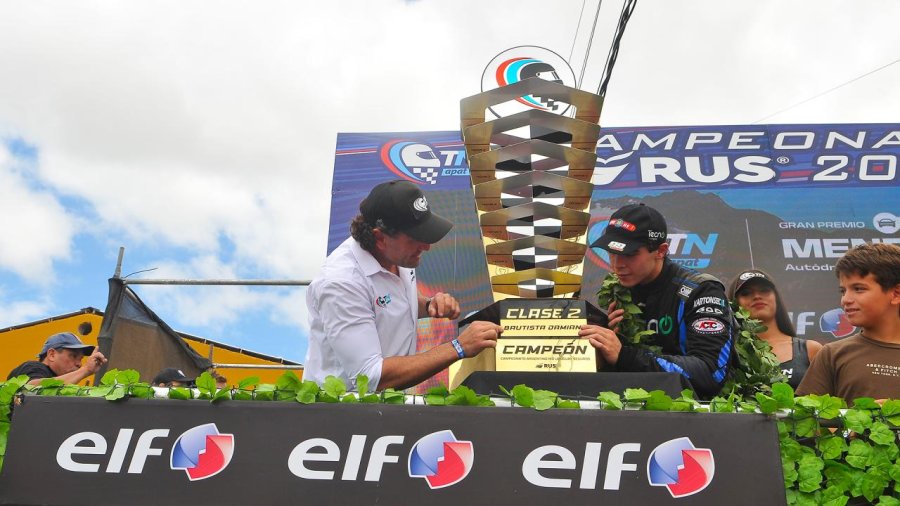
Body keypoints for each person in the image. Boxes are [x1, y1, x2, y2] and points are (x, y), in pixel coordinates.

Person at [305, 180, 502, 391]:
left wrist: (428, 305)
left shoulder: (397, 254)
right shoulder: (341, 283)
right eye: (416, 238)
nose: (426, 246)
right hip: (343, 413)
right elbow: (372, 377)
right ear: (380, 237)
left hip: (384, 406)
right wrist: (459, 347)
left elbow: (387, 300)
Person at [580, 203, 734, 398]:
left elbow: (710, 373)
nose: (617, 264)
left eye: (629, 254)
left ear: (661, 250)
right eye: (612, 252)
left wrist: (624, 355)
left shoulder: (701, 292)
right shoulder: (618, 291)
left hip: (693, 421)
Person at [796, 242, 900, 402]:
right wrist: (856, 422)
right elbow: (806, 422)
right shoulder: (832, 354)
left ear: (896, 294)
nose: (846, 299)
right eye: (843, 291)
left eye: (859, 289)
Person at [728, 269, 822, 389]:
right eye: (746, 293)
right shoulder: (727, 354)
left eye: (764, 290)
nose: (757, 296)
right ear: (734, 304)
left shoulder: (811, 350)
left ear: (776, 298)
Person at [7, 332, 107, 386]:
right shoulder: (33, 367)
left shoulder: (64, 381)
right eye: (73, 356)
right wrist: (86, 370)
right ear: (52, 354)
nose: (79, 364)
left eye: (80, 359)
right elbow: (32, 388)